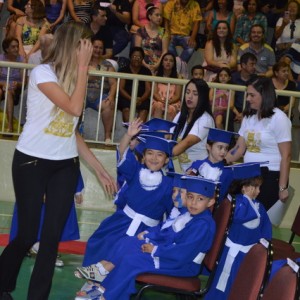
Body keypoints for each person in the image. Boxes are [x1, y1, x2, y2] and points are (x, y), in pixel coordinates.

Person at [0, 22, 116, 300]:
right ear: (72, 46)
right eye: (83, 45)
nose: (87, 50)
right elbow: (75, 108)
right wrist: (84, 68)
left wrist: (99, 169)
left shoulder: (73, 78)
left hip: (64, 165)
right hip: (31, 162)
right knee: (28, 234)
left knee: (51, 240)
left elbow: (70, 129)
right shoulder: (42, 72)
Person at [76, 176, 217, 300]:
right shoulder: (192, 216)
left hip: (181, 264)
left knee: (131, 260)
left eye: (200, 199)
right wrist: (151, 239)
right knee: (129, 242)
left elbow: (182, 252)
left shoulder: (202, 225)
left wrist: (155, 249)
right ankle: (104, 281)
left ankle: (108, 296)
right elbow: (168, 235)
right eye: (190, 197)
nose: (193, 203)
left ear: (210, 202)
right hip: (171, 255)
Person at [80, 119, 176, 270]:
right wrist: (128, 135)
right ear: (143, 156)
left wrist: (155, 234)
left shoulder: (170, 185)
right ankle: (93, 281)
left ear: (166, 160)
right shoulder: (134, 171)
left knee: (125, 255)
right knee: (103, 241)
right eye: (150, 153)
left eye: (159, 155)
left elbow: (172, 214)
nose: (154, 158)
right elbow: (123, 152)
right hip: (121, 222)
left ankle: (106, 285)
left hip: (144, 231)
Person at [205, 162, 272, 300]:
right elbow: (240, 217)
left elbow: (266, 230)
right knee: (223, 284)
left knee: (240, 286)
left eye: (260, 187)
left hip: (247, 255)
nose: (259, 191)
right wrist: (246, 198)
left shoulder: (259, 206)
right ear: (244, 187)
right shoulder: (236, 203)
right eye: (255, 187)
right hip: (231, 253)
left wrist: (261, 248)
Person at [226, 77, 291, 211]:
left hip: (270, 176)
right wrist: (220, 161)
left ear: (264, 95)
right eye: (247, 94)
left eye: (252, 95)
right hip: (248, 173)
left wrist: (283, 187)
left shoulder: (279, 118)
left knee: (260, 218)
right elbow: (238, 149)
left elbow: (286, 156)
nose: (248, 99)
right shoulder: (249, 117)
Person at [172, 79, 215, 172]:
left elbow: (187, 142)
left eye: (195, 94)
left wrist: (163, 154)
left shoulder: (205, 119)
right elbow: (169, 135)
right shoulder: (181, 114)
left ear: (203, 97)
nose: (190, 96)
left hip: (198, 170)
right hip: (179, 169)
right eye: (187, 92)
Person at [186, 127, 236, 203]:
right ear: (208, 146)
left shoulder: (227, 172)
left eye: (226, 148)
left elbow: (221, 197)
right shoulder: (197, 165)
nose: (223, 151)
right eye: (220, 147)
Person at [85, 38, 117, 144]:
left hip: (99, 96)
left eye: (100, 48)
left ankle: (107, 137)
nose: (98, 50)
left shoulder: (107, 64)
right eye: (96, 47)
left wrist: (111, 96)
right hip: (83, 94)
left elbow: (113, 83)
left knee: (108, 105)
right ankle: (74, 134)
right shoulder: (83, 60)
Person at [118, 47, 152, 123]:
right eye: (134, 56)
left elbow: (148, 89)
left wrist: (141, 99)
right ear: (130, 57)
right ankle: (131, 132)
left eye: (139, 57)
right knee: (126, 109)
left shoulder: (146, 71)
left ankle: (137, 133)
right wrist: (131, 99)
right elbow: (121, 88)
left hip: (142, 98)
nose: (136, 59)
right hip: (126, 97)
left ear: (142, 59)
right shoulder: (123, 70)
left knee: (144, 110)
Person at [135, 3, 169, 74]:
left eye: (161, 16)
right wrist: (145, 65)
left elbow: (165, 51)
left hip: (158, 66)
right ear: (150, 16)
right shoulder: (140, 31)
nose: (159, 18)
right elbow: (137, 51)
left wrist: (156, 65)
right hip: (142, 65)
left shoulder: (164, 32)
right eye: (157, 15)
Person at [0, 37, 25, 133]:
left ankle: (10, 126)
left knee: (8, 92)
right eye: (13, 47)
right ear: (7, 49)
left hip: (14, 89)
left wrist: (18, 84)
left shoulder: (22, 60)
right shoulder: (1, 59)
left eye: (17, 46)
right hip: (1, 85)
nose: (16, 49)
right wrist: (3, 84)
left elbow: (24, 82)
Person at [151, 52, 183, 120]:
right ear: (162, 62)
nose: (168, 62)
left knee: (170, 109)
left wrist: (169, 102)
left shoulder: (178, 77)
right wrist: (162, 101)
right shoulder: (156, 75)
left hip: (173, 102)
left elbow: (177, 95)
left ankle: (168, 130)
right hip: (158, 100)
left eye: (171, 61)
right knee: (158, 106)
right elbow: (155, 93)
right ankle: (156, 129)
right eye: (166, 60)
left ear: (174, 64)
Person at [231, 52, 257, 123]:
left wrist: (244, 114)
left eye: (255, 64)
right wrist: (238, 114)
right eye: (252, 64)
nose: (254, 67)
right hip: (234, 110)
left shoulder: (256, 79)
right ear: (243, 65)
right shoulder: (233, 77)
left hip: (250, 110)